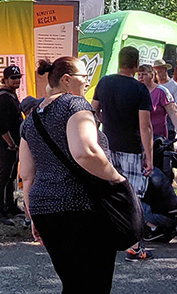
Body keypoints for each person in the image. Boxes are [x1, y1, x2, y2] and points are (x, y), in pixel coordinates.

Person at [20, 57, 125, 294]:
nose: (87, 84)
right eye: (84, 78)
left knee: (72, 283)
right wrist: (117, 179)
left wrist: (33, 215)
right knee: (94, 284)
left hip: (45, 209)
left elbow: (26, 174)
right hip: (84, 208)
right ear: (67, 80)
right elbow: (85, 152)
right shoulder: (76, 106)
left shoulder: (32, 118)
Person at [92, 46, 154, 261]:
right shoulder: (140, 89)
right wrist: (149, 156)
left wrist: (102, 126)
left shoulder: (105, 82)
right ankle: (135, 245)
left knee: (108, 192)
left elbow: (93, 111)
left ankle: (105, 237)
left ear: (119, 61)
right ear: (136, 65)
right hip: (132, 148)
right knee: (133, 196)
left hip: (108, 145)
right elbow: (145, 126)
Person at [0, 65, 25, 225]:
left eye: (18, 77)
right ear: (5, 79)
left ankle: (10, 205)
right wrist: (11, 144)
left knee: (11, 176)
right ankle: (0, 211)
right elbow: (1, 125)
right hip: (6, 144)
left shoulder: (10, 95)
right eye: (13, 78)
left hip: (14, 143)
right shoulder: (4, 98)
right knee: (4, 176)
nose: (16, 80)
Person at [140, 167, 177, 242]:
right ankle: (169, 227)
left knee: (136, 203)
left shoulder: (142, 177)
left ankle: (154, 229)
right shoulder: (157, 172)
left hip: (162, 216)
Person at [137, 64, 177, 139]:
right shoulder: (136, 91)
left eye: (144, 74)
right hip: (140, 135)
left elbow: (172, 110)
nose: (141, 77)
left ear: (151, 76)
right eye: (139, 74)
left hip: (158, 136)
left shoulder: (161, 91)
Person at [153, 60, 177, 137]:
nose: (158, 74)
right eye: (157, 72)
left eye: (160, 71)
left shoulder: (174, 86)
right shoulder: (153, 86)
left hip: (170, 122)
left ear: (165, 70)